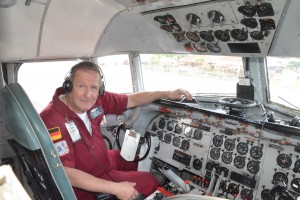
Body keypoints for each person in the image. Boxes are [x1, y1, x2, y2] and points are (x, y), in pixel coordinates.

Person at [40, 61, 193, 200]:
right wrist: (115, 188)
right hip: (85, 183)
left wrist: (166, 93)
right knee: (149, 181)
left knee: (137, 159)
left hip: (103, 160)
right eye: (81, 86)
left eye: (93, 87)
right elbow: (66, 173)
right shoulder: (52, 120)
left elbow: (131, 99)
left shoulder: (97, 100)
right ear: (68, 86)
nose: (88, 95)